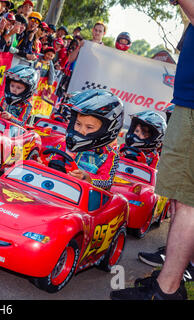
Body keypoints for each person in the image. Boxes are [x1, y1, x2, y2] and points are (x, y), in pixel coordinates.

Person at [110, 0, 194, 300]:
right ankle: (170, 280)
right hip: (188, 100)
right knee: (181, 200)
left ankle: (166, 291)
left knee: (187, 202)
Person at [44, 89, 124, 190]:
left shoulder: (110, 155)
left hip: (82, 197)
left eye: (89, 127)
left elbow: (107, 181)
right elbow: (53, 160)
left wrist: (87, 178)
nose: (81, 131)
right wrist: (46, 163)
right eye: (78, 124)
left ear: (107, 130)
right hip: (56, 187)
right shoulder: (65, 144)